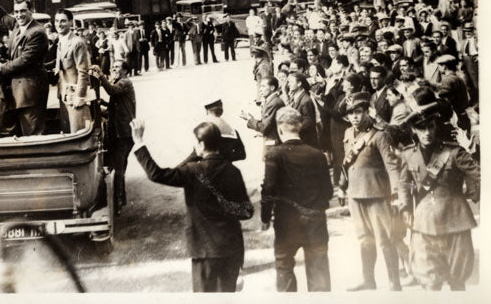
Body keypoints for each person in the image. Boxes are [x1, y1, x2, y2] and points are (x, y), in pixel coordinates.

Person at [131, 119, 253, 292]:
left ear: (202, 144)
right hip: (231, 249)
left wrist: (139, 142)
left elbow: (157, 174)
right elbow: (247, 211)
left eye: (196, 143)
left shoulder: (192, 170)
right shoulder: (233, 172)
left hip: (204, 251)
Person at [397, 87, 480, 290]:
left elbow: (482, 176)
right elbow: (404, 183)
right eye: (421, 128)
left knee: (457, 280)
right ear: (413, 131)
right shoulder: (408, 155)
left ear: (436, 126)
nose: (427, 133)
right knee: (429, 281)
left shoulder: (454, 152)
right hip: (424, 224)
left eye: (430, 126)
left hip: (455, 222)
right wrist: (406, 207)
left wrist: (472, 151)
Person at [261, 107, 333, 291]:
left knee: (284, 267)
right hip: (315, 221)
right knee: (319, 270)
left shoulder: (274, 154)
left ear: (280, 128)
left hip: (287, 222)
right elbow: (328, 192)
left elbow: (269, 189)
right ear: (299, 126)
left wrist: (265, 217)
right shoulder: (317, 155)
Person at [339, 92, 402, 291]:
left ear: (367, 112)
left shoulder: (379, 135)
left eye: (358, 112)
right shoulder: (348, 133)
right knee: (364, 239)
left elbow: (392, 165)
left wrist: (396, 193)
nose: (355, 117)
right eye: (351, 113)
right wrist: (342, 187)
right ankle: (369, 280)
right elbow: (347, 164)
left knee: (385, 239)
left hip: (377, 194)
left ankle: (395, 282)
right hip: (355, 195)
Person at [0, 0, 50, 136]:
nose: (19, 15)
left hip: (31, 92)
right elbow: (2, 16)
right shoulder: (18, 25)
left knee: (33, 135)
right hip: (20, 91)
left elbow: (25, 60)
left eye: (23, 11)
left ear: (31, 11)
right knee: (24, 134)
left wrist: (1, 67)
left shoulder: (36, 32)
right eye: (16, 12)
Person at [90, 60, 136, 216]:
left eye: (117, 67)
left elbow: (111, 91)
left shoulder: (125, 83)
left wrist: (100, 75)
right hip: (122, 132)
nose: (114, 69)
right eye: (113, 67)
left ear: (125, 71)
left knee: (119, 169)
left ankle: (116, 204)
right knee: (120, 168)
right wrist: (100, 105)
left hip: (124, 134)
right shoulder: (121, 83)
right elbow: (113, 106)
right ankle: (120, 200)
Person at [54, 9, 92, 133]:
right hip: (64, 94)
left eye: (63, 21)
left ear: (71, 22)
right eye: (57, 21)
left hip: (75, 96)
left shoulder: (77, 43)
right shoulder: (60, 41)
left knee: (78, 133)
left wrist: (80, 96)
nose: (59, 24)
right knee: (67, 132)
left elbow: (83, 72)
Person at [241, 76, 285, 159]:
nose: (260, 89)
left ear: (272, 88)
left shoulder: (273, 103)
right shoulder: (271, 101)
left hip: (273, 143)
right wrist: (250, 119)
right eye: (260, 86)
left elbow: (264, 127)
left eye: (263, 86)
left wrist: (250, 119)